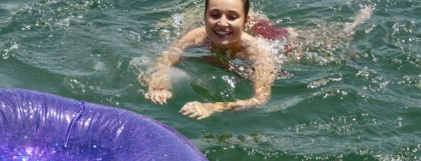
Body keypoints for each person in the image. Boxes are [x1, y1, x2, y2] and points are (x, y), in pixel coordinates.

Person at [141, 0, 372, 120]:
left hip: (279, 42)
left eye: (232, 17)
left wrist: (214, 106)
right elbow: (163, 61)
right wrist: (159, 86)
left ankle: (354, 24)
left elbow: (260, 99)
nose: (221, 22)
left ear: (243, 20)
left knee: (323, 41)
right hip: (240, 37)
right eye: (214, 15)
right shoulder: (196, 36)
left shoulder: (259, 54)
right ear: (205, 17)